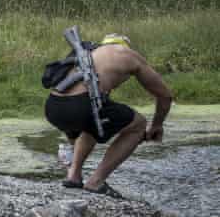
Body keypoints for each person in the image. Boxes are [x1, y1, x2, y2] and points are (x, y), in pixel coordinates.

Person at [44, 33, 173, 199]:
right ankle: (96, 182)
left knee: (93, 121)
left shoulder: (88, 54)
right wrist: (156, 125)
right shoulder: (128, 54)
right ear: (126, 46)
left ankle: (73, 176)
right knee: (138, 124)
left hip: (53, 107)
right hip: (80, 106)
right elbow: (165, 96)